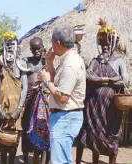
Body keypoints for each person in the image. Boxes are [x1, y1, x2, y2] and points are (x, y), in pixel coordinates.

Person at [76, 18, 130, 164]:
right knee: (94, 136)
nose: (105, 47)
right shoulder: (95, 61)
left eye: (108, 44)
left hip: (111, 108)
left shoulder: (119, 62)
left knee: (112, 137)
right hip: (94, 107)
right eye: (103, 44)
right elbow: (87, 75)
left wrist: (108, 79)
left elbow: (126, 80)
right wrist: (107, 80)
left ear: (114, 44)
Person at [39, 27, 86, 164]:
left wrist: (46, 81)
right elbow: (59, 86)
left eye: (52, 42)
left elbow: (62, 96)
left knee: (60, 161)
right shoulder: (68, 60)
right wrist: (50, 64)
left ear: (57, 43)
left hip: (65, 118)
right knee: (63, 160)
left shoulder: (70, 65)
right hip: (65, 117)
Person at [0, 32, 27, 164]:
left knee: (14, 139)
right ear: (3, 46)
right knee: (2, 138)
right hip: (2, 106)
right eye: (8, 44)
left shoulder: (21, 64)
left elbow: (25, 88)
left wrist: (19, 108)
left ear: (17, 46)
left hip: (16, 107)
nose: (10, 47)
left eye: (13, 44)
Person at [17, 37, 51, 164]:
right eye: (34, 49)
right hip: (30, 100)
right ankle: (26, 159)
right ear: (31, 49)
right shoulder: (27, 62)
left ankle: (45, 160)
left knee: (44, 129)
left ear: (43, 47)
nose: (37, 51)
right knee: (27, 128)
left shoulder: (47, 62)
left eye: (39, 48)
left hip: (44, 100)